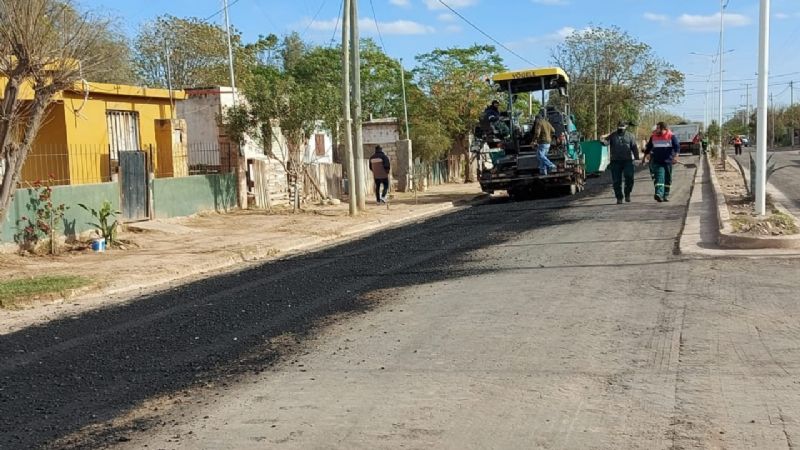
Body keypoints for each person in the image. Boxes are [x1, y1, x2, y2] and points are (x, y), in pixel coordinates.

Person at [644, 122, 680, 202]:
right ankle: (659, 194)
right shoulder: (653, 137)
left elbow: (677, 147)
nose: (656, 130)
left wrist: (676, 157)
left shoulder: (671, 136)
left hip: (668, 162)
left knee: (668, 179)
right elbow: (649, 146)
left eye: (658, 128)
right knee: (659, 177)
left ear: (664, 129)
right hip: (657, 161)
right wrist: (647, 154)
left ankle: (665, 195)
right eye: (656, 128)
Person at [606, 121, 639, 204]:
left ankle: (627, 193)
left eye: (622, 126)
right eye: (619, 126)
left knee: (629, 177)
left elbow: (634, 148)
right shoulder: (613, 135)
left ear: (625, 127)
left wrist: (637, 158)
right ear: (617, 126)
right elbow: (605, 143)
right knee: (616, 181)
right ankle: (619, 197)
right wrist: (603, 140)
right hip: (615, 161)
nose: (621, 128)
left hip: (627, 161)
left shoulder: (630, 136)